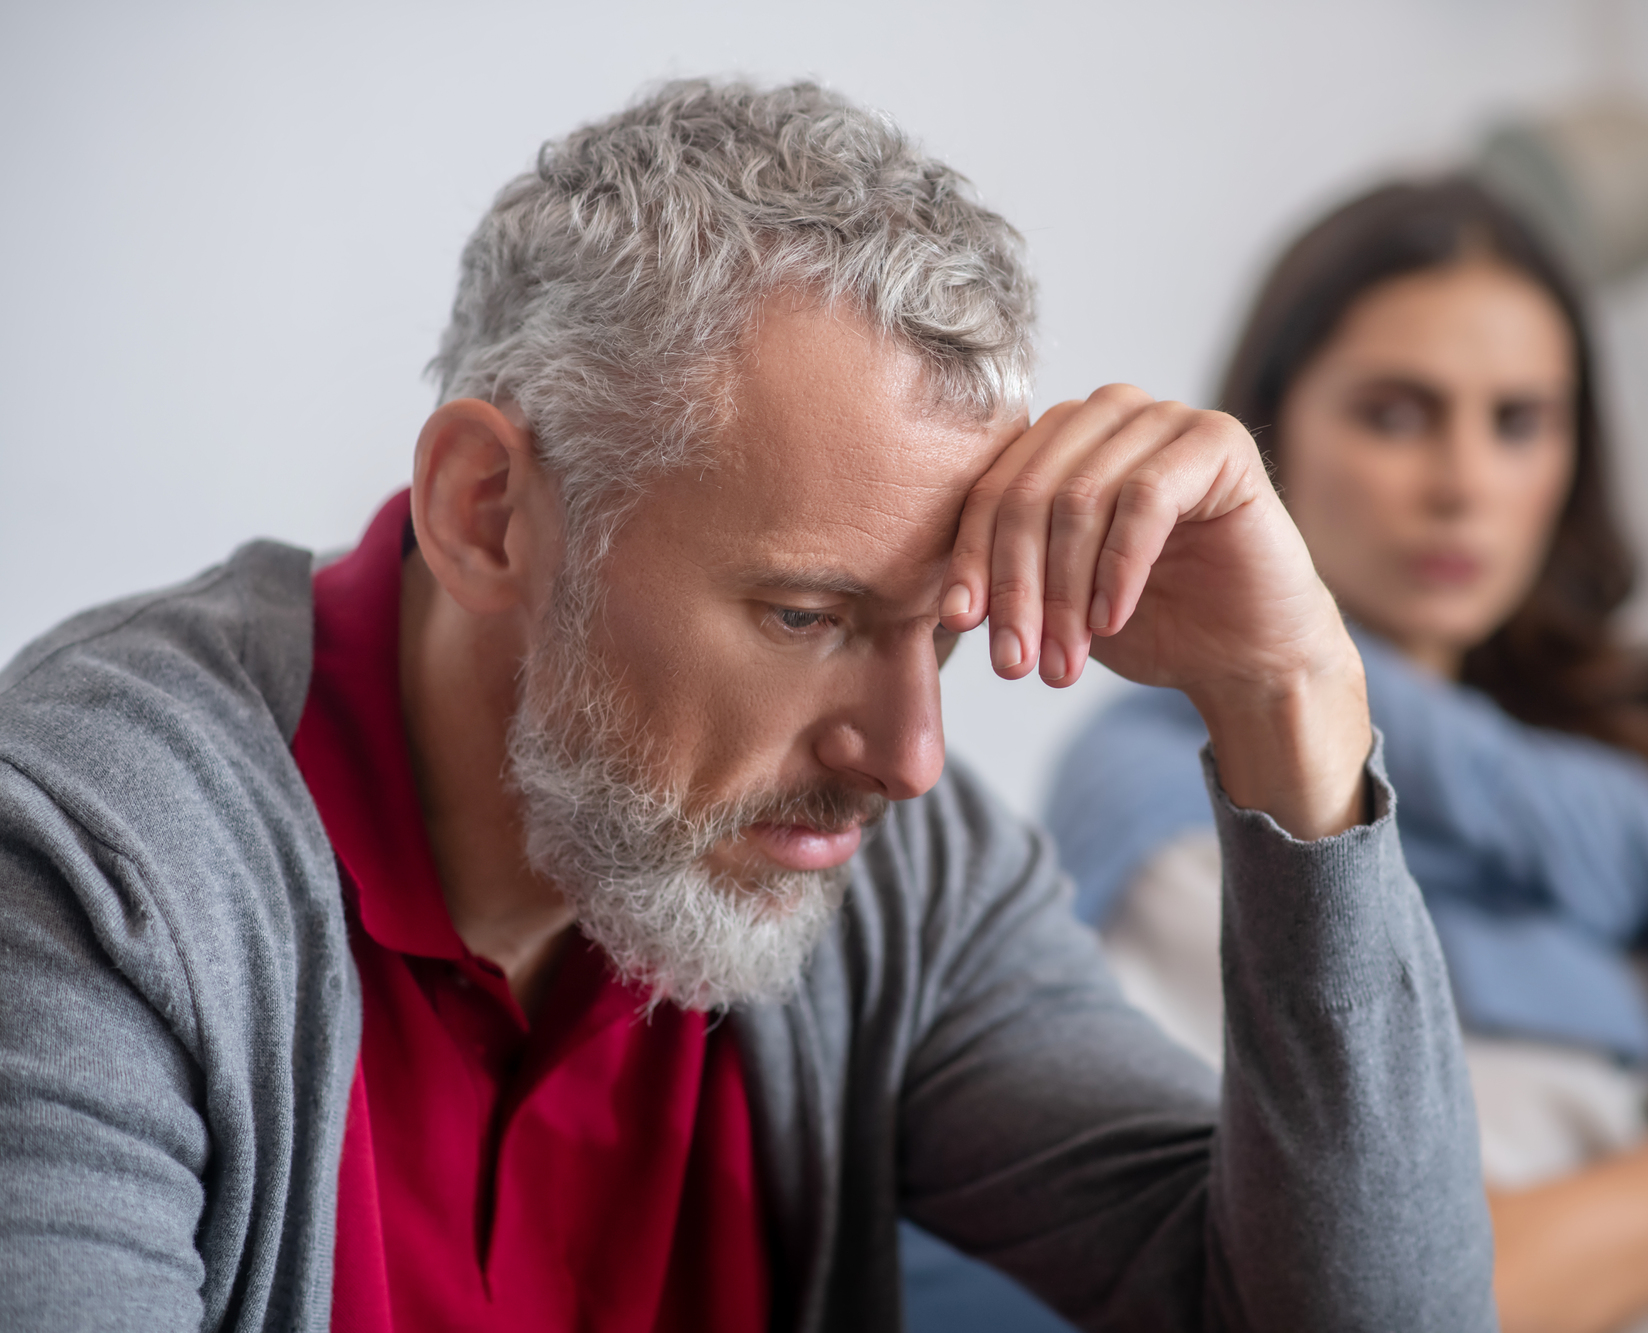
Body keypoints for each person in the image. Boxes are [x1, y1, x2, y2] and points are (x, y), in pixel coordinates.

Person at [0, 83, 1495, 1331]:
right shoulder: (91, 866)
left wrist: (1293, 701)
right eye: (808, 617)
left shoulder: (892, 877)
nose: (906, 758)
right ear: (489, 511)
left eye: (941, 633)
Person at [1049, 177, 1648, 1333]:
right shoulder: (1188, 794)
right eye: (1395, 414)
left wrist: (1606, 1253)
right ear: (1267, 433)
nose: (1462, 485)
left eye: (1516, 422)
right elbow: (1409, 1290)